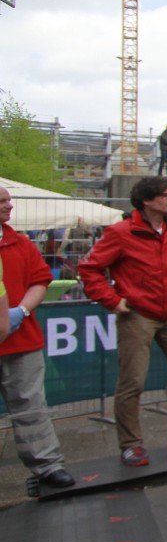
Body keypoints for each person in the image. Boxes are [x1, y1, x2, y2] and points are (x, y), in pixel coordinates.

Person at [78, 177, 167, 466]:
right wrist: (113, 300)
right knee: (133, 381)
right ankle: (130, 444)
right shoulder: (121, 233)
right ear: (146, 201)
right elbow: (89, 268)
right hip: (137, 314)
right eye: (164, 195)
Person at [0, 186, 75, 490]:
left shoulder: (20, 243)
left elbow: (40, 280)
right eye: (2, 201)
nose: (9, 206)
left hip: (22, 340)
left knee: (31, 405)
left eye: (9, 200)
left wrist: (20, 311)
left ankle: (46, 465)